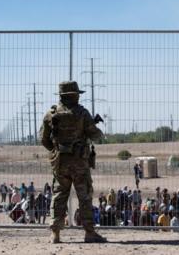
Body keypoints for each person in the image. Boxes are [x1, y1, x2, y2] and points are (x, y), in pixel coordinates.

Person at [40, 81, 106, 244]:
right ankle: (89, 232)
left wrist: (57, 150)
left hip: (60, 163)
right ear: (74, 95)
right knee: (84, 196)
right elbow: (95, 134)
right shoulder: (82, 113)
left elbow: (43, 139)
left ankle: (55, 234)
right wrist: (96, 132)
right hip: (79, 163)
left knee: (59, 196)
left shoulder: (51, 114)